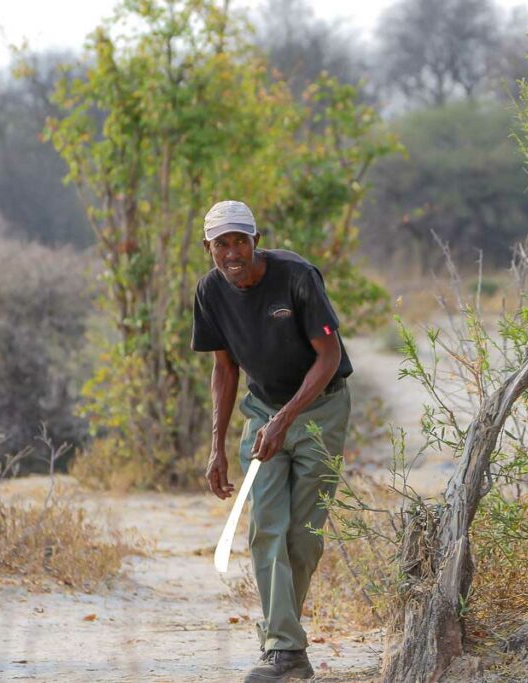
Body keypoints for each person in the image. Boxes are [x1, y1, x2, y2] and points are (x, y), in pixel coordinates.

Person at [191, 199, 353, 683]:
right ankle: (284, 650)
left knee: (303, 539)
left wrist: (287, 418)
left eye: (241, 240)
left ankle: (284, 646)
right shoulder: (209, 292)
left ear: (256, 241)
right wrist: (217, 445)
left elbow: (329, 357)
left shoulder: (298, 276)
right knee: (266, 527)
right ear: (209, 248)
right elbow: (224, 369)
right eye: (223, 243)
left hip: (320, 409)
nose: (233, 251)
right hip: (262, 415)